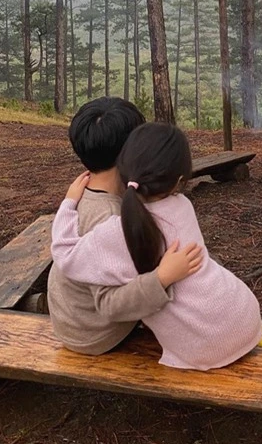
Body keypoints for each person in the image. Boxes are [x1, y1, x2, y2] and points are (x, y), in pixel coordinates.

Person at [51, 122, 262, 370]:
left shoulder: (115, 231)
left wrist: (69, 203)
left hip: (205, 347)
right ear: (179, 180)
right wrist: (162, 276)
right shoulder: (182, 206)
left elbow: (64, 253)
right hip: (245, 314)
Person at [47, 98, 203, 356]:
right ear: (131, 153)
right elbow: (109, 303)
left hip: (71, 319)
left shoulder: (81, 193)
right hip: (94, 333)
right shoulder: (108, 219)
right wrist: (162, 278)